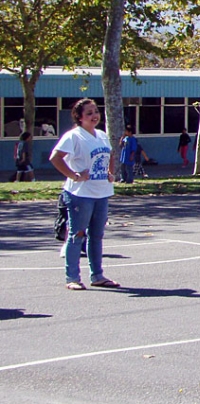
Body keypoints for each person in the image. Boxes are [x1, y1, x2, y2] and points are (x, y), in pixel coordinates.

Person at [49, 98, 120, 291]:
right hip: (80, 193)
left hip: (101, 192)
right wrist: (74, 175)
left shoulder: (102, 135)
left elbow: (110, 155)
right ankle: (72, 277)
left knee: (96, 235)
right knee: (77, 234)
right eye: (88, 113)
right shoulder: (74, 136)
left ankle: (97, 275)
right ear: (79, 117)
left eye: (95, 111)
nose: (94, 116)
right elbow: (55, 158)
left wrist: (109, 173)